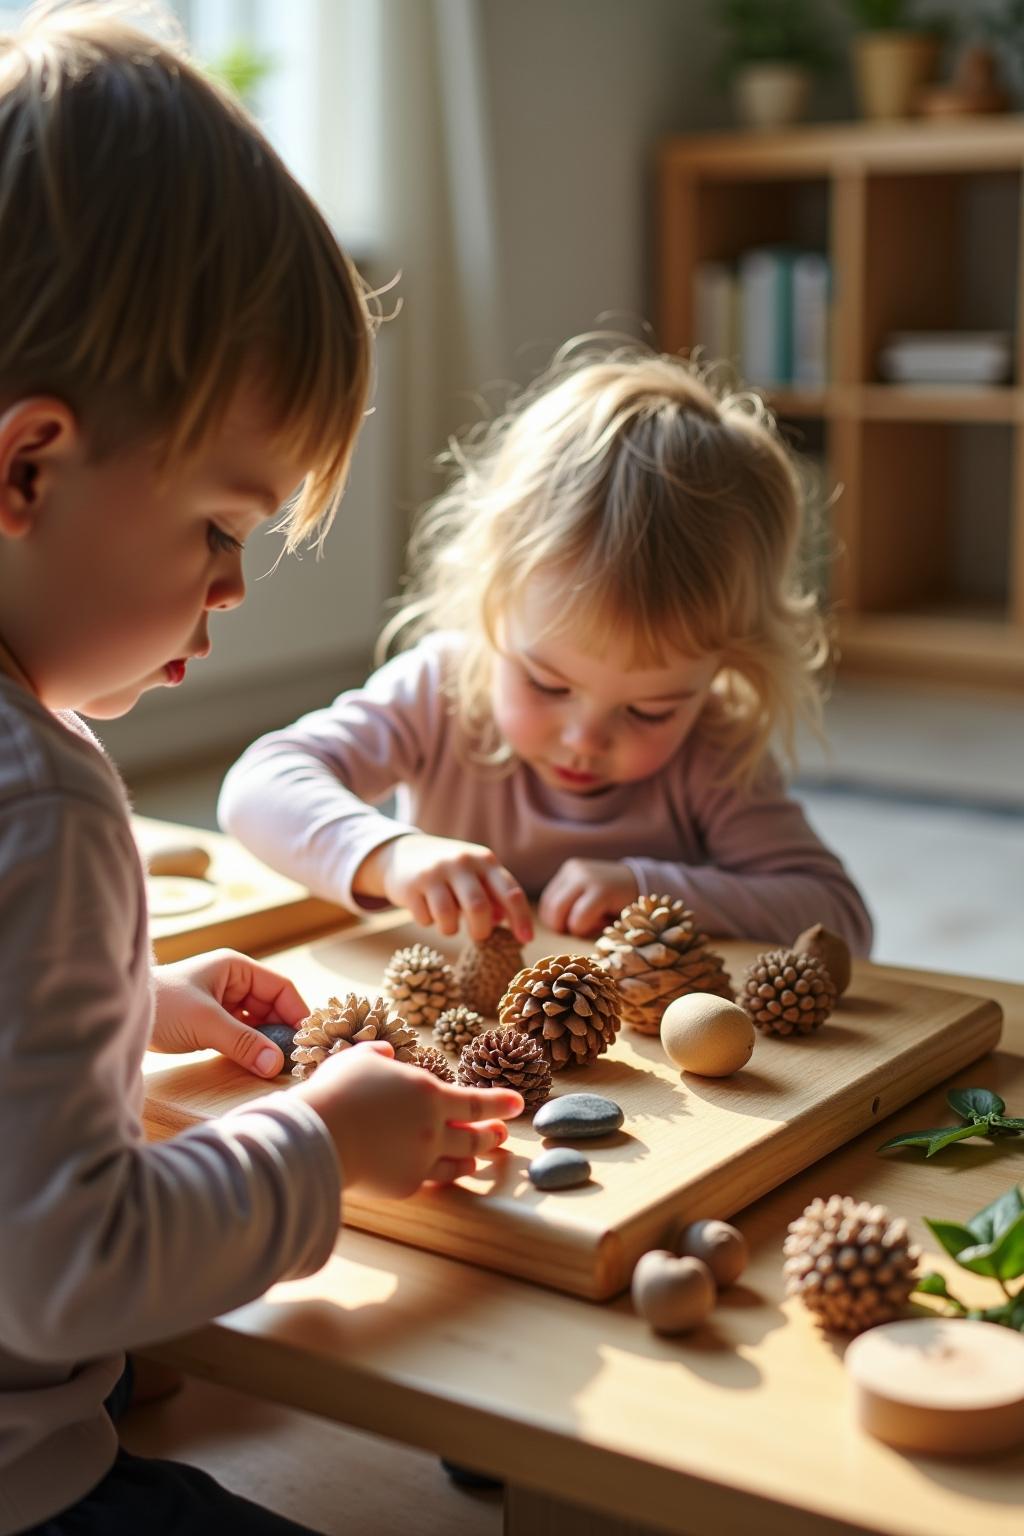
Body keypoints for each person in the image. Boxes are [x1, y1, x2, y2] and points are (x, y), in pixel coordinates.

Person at [0, 8, 522, 1535]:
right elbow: (67, 1270)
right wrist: (324, 1145)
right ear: (26, 467)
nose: (234, 587)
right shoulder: (43, 802)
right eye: (221, 528)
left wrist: (122, 994)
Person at [219, 338, 873, 957]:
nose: (585, 739)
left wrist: (653, 889)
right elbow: (257, 789)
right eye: (548, 684)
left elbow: (837, 917)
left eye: (649, 711)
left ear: (726, 665)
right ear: (493, 596)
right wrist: (387, 855)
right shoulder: (440, 689)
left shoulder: (712, 746)